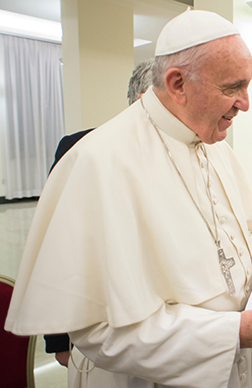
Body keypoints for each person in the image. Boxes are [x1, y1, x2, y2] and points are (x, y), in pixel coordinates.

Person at [5, 9, 252, 388]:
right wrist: (233, 332)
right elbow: (99, 331)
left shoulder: (216, 146)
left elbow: (233, 233)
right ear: (178, 83)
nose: (245, 103)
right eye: (232, 87)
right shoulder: (98, 161)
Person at [43, 57, 156, 368]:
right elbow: (56, 248)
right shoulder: (80, 150)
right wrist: (58, 339)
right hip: (98, 331)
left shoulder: (182, 155)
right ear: (145, 100)